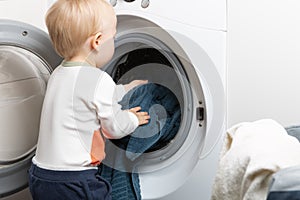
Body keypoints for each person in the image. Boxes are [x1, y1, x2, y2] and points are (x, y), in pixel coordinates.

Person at [28, 0, 150, 199]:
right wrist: (132, 118)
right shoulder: (99, 79)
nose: (115, 39)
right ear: (98, 41)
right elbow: (115, 129)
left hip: (40, 176)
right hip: (75, 181)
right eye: (114, 35)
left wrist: (126, 88)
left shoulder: (59, 73)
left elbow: (87, 99)